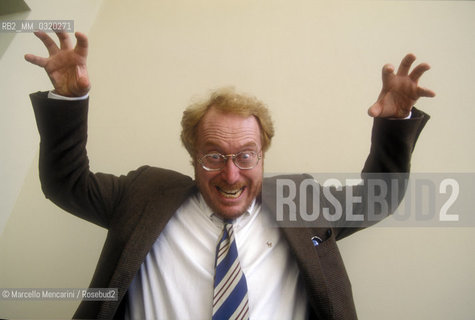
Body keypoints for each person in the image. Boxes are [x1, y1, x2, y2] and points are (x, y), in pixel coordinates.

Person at [25, 31, 434, 320]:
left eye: (246, 155)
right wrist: (69, 98)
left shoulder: (302, 200)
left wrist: (397, 124)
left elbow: (378, 197)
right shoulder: (143, 193)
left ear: (263, 154)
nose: (231, 173)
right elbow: (67, 183)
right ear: (192, 154)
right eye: (214, 155)